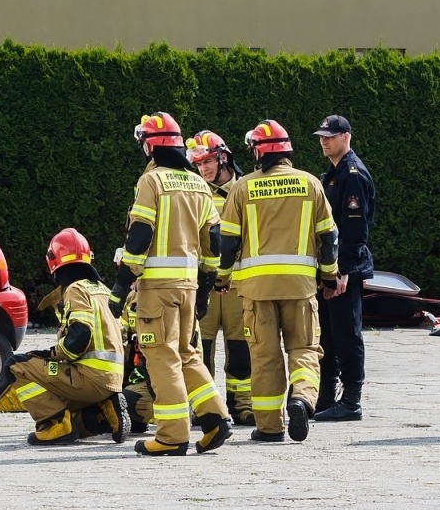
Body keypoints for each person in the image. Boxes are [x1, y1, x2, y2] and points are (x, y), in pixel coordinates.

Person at [112, 112, 233, 457]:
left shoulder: (152, 181)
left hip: (157, 290)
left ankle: (171, 435)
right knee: (187, 354)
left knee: (161, 357)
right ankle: (215, 419)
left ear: (150, 145)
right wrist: (206, 288)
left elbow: (140, 234)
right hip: (188, 287)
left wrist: (120, 289)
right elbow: (214, 241)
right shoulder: (197, 183)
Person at [216, 120, 338, 443]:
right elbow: (329, 236)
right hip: (300, 288)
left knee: (265, 358)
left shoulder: (243, 188)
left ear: (257, 152)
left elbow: (227, 243)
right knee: (305, 349)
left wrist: (221, 279)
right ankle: (301, 400)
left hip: (257, 291)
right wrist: (328, 275)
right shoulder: (311, 184)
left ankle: (269, 427)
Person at [12, 228, 126, 445]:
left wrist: (51, 355)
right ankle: (101, 412)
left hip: (89, 377)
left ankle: (56, 424)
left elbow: (80, 335)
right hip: (113, 379)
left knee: (17, 366)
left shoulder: (75, 289)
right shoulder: (102, 289)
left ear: (53, 261)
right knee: (63, 402)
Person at [186, 130, 254, 426]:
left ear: (223, 157)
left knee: (241, 348)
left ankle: (243, 406)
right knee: (203, 349)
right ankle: (206, 405)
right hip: (207, 286)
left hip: (240, 285)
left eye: (207, 162)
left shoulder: (247, 188)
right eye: (199, 164)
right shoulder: (196, 192)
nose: (204, 169)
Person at [312, 115, 376, 422]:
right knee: (328, 335)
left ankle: (351, 399)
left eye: (331, 136)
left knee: (347, 334)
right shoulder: (335, 172)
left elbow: (353, 232)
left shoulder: (352, 174)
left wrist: (340, 272)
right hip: (332, 267)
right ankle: (326, 396)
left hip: (343, 269)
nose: (325, 140)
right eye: (322, 136)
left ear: (346, 137)